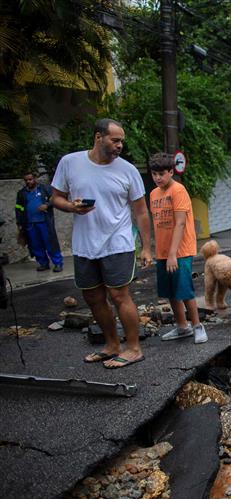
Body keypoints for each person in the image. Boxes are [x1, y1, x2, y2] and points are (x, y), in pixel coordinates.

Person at [51, 118, 152, 369]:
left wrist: (147, 246)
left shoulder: (127, 170)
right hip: (85, 244)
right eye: (115, 140)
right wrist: (70, 207)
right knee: (93, 298)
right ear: (98, 137)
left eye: (121, 142)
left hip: (118, 242)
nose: (120, 146)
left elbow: (141, 211)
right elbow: (56, 198)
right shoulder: (70, 163)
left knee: (119, 295)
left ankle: (134, 348)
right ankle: (112, 345)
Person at [148, 152, 207, 344]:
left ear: (171, 172)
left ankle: (198, 326)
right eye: (154, 174)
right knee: (170, 291)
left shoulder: (178, 190)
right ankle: (182, 327)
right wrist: (150, 249)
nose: (157, 178)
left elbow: (180, 223)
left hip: (180, 251)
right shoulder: (153, 194)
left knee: (184, 290)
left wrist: (173, 254)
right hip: (163, 251)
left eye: (161, 174)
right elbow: (156, 223)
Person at [15, 171, 64, 272]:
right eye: (26, 180)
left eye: (30, 179)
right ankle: (43, 263)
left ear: (35, 179)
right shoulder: (21, 193)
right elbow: (18, 208)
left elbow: (54, 198)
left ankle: (58, 263)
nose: (28, 182)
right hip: (30, 224)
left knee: (50, 243)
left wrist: (47, 205)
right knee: (35, 245)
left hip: (44, 221)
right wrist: (19, 223)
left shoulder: (45, 189)